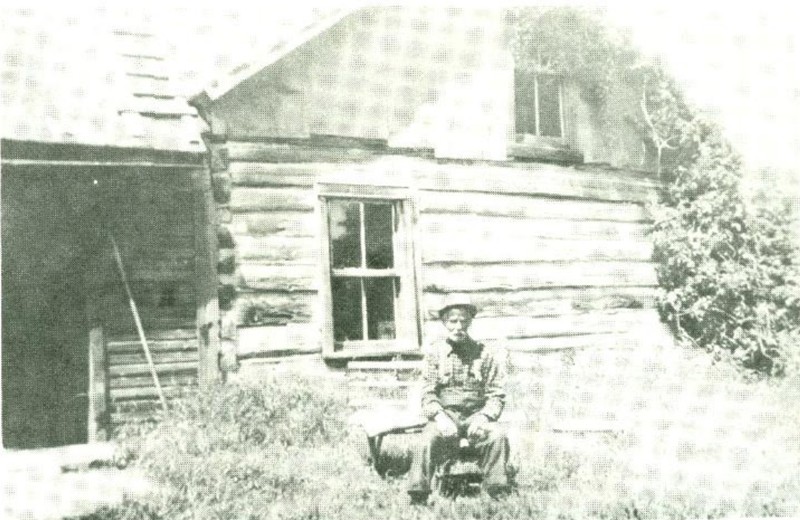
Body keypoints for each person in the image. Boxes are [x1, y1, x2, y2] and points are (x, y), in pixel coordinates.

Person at [407, 295, 511, 503]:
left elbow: (496, 394)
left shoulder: (484, 354)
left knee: (498, 436)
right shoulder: (435, 354)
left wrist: (484, 418)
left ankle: (496, 493)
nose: (458, 326)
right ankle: (418, 497)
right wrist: (440, 417)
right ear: (445, 323)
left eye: (463, 321)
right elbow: (427, 392)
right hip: (447, 416)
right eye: (453, 321)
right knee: (425, 440)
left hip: (476, 416)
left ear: (470, 322)